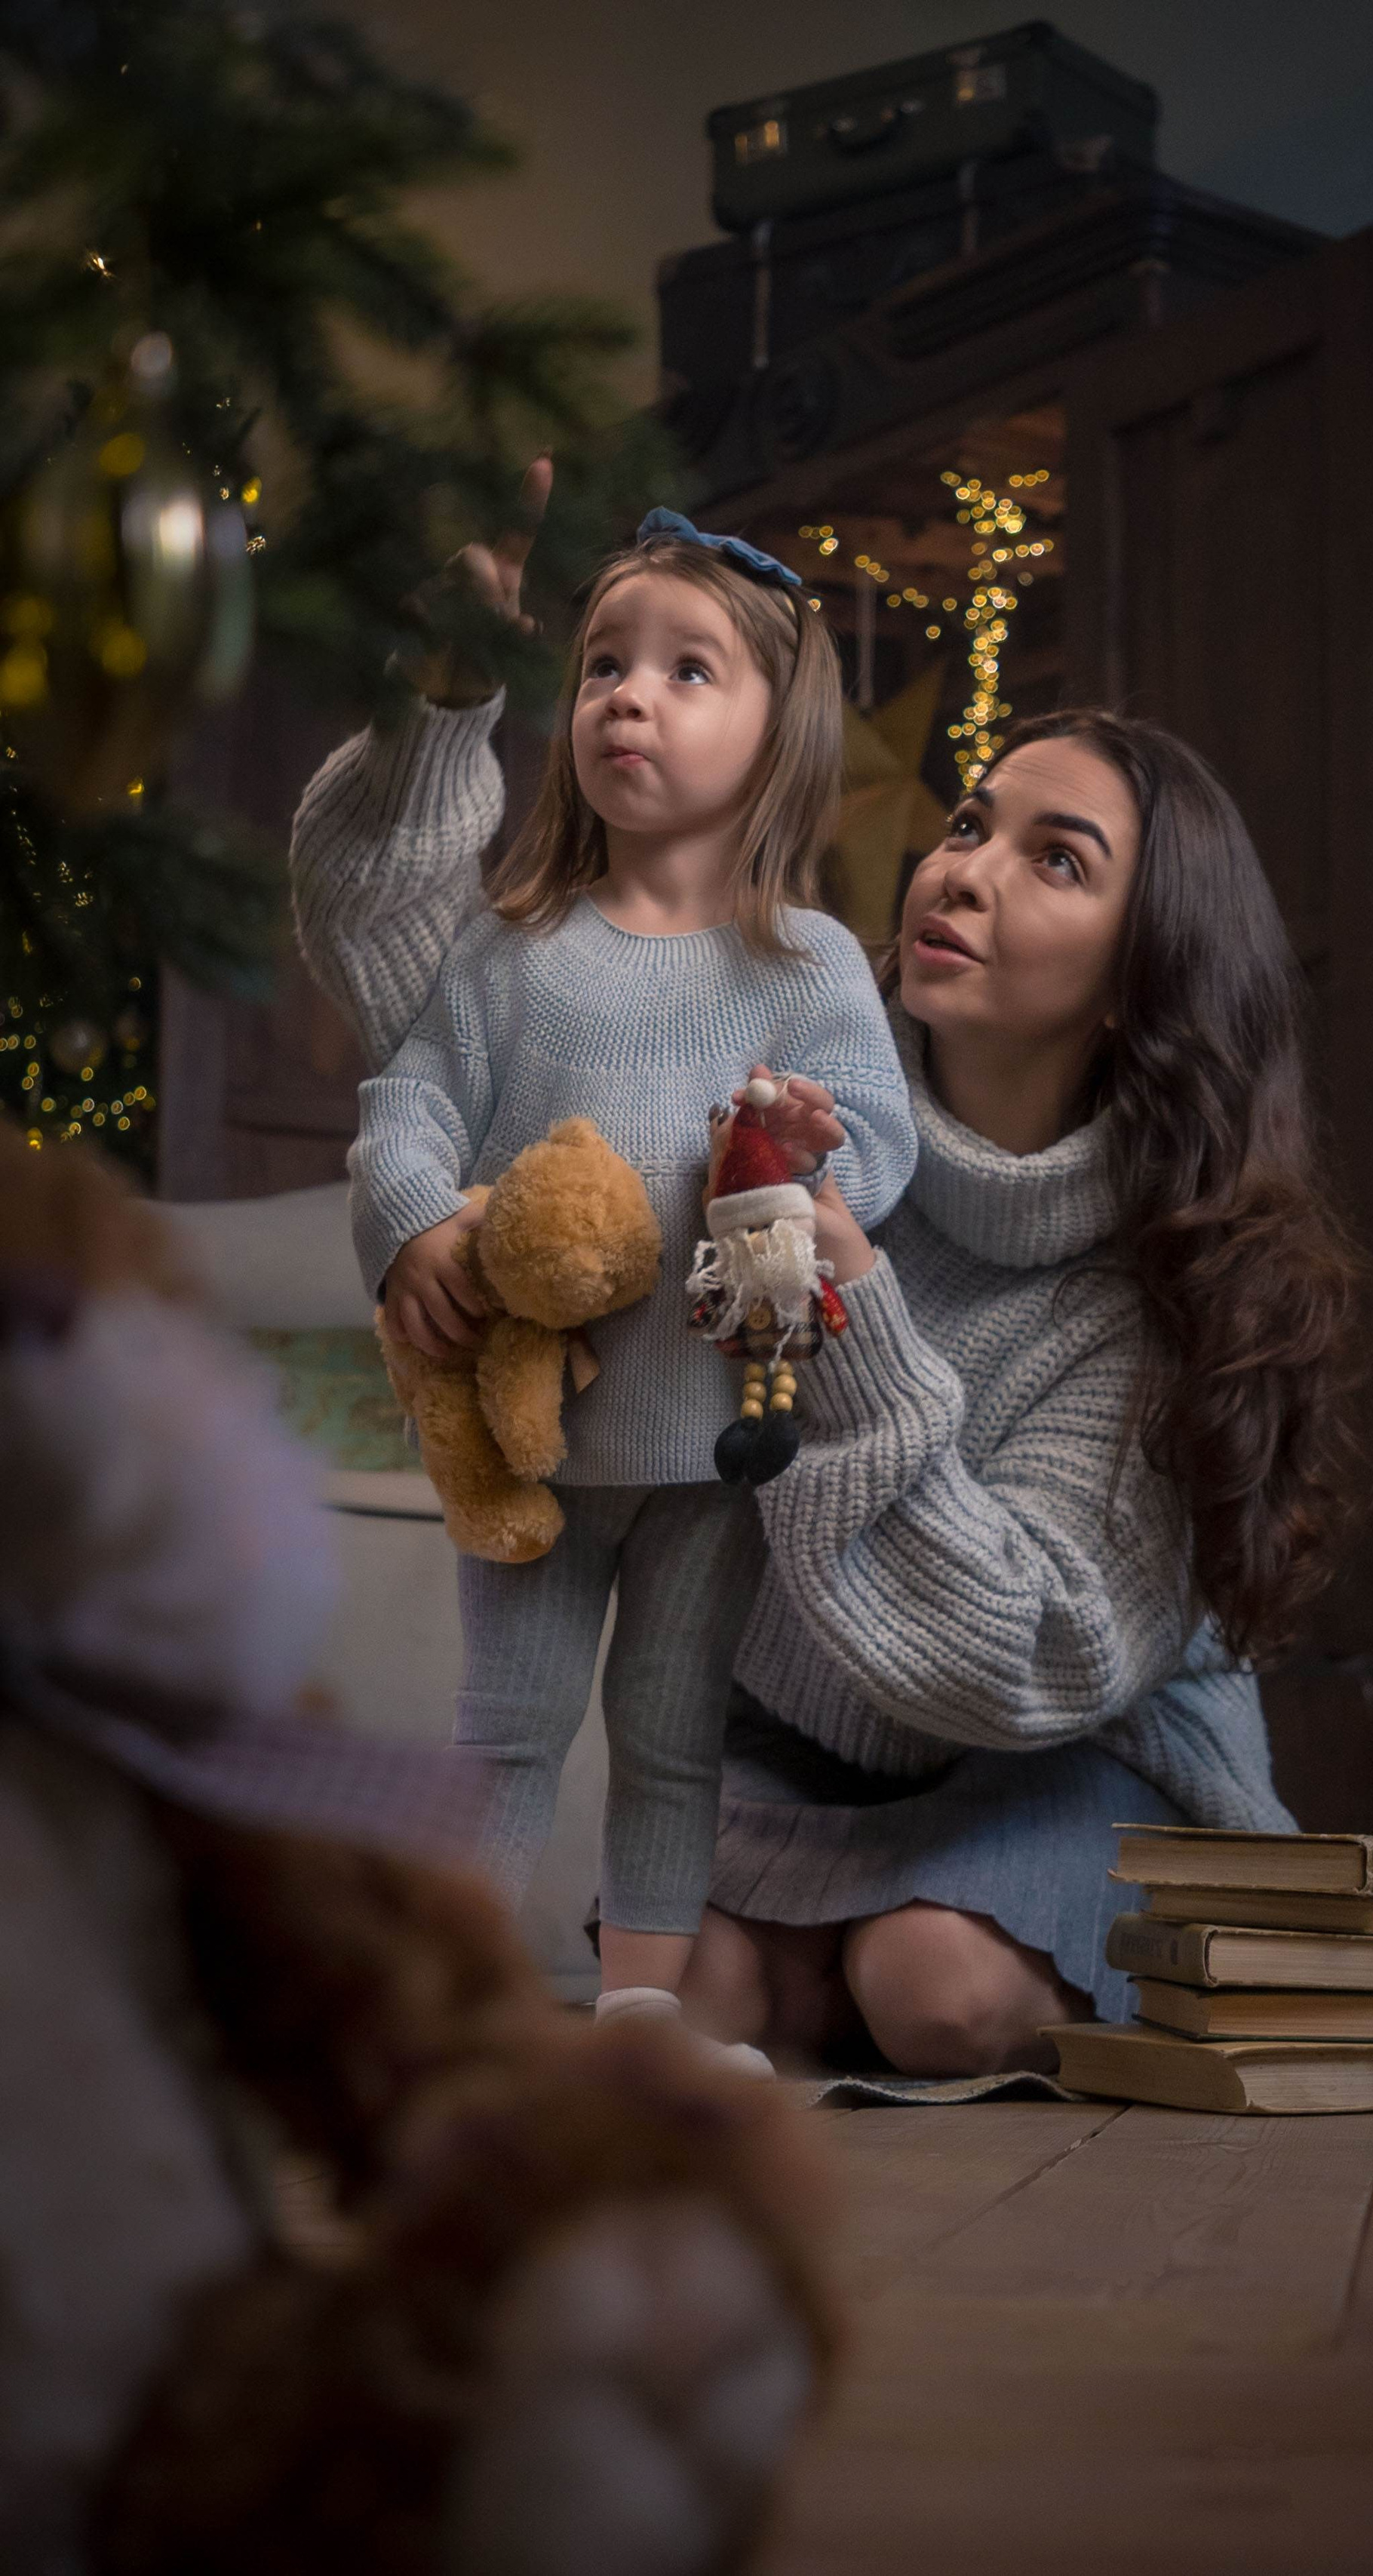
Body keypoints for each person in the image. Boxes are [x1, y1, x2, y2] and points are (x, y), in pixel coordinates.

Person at [293, 478, 1360, 2076]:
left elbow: (1025, 1663)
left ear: (1148, 986)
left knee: (930, 1990)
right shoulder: (771, 1079)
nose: (965, 870)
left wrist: (830, 1296)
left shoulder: (1144, 1298)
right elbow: (403, 977)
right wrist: (441, 1242)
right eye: (967, 824)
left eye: (1053, 859)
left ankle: (981, 1949)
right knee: (688, 2001)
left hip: (1057, 1755)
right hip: (799, 1763)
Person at [309, 496, 918, 2040]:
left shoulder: (807, 963)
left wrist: (803, 1154)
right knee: (503, 1724)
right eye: (599, 667)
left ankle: (640, 2015)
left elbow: (880, 1153)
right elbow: (408, 1108)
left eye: (685, 669)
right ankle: (448, 2002)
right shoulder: (514, 944)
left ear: (781, 737)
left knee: (667, 1735)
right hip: (530, 1431)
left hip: (712, 1437)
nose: (625, 697)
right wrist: (417, 1228)